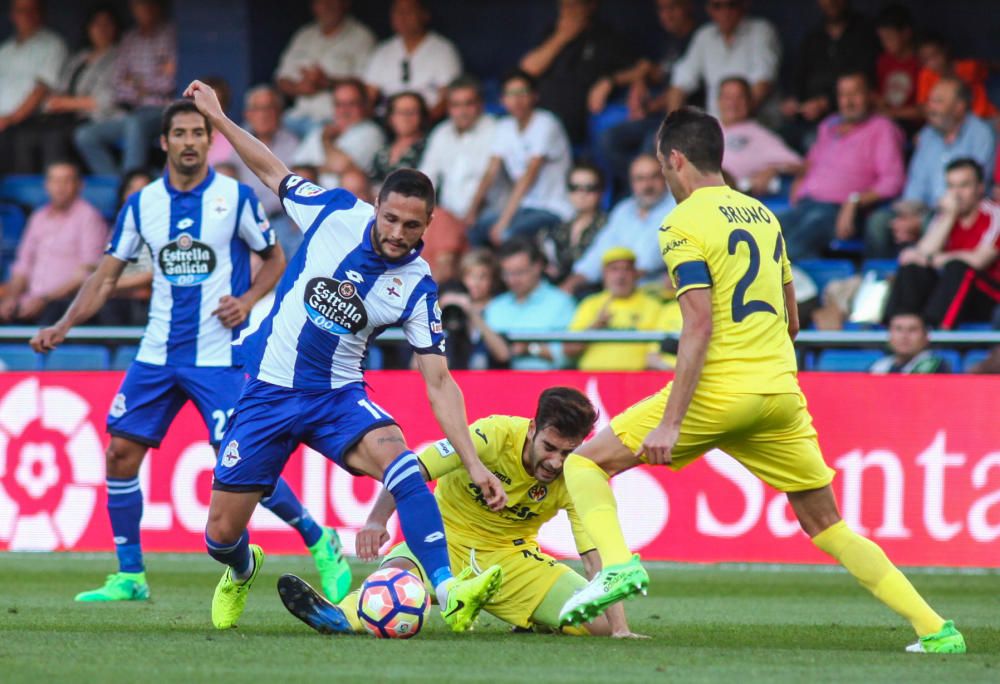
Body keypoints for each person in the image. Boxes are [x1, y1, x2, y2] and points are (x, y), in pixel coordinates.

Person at [557, 107, 966, 655]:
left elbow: (698, 325)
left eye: (662, 165)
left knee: (585, 463)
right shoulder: (764, 216)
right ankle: (936, 629)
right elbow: (793, 321)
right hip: (779, 393)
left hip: (719, 392)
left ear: (675, 159)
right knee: (828, 525)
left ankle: (619, 566)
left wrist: (673, 422)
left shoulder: (681, 223)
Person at [177, 79, 508, 632]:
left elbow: (440, 382)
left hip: (336, 397)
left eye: (412, 225)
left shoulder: (418, 284)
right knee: (220, 534)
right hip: (267, 391)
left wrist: (472, 463)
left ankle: (450, 591)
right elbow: (271, 169)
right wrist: (216, 116)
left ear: (428, 225)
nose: (398, 233)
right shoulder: (333, 212)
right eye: (390, 219)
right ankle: (239, 569)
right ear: (375, 208)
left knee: (402, 463)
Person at [30, 100, 351, 606]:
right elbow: (106, 275)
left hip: (218, 356)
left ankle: (318, 537)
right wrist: (65, 323)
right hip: (157, 354)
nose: (187, 141)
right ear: (164, 142)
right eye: (178, 133)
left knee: (242, 466)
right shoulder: (142, 204)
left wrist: (246, 301)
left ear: (207, 140)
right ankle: (130, 575)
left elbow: (276, 259)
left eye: (197, 133)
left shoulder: (236, 198)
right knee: (119, 455)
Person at [280, 388, 644, 638]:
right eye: (550, 447)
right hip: (444, 542)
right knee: (395, 579)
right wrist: (377, 519)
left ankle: (532, 617)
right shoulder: (492, 435)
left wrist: (619, 628)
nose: (556, 462)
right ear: (532, 428)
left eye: (567, 452)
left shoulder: (576, 472)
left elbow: (593, 555)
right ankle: (340, 616)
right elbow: (411, 469)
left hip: (513, 560)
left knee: (597, 624)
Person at [778, 72, 904, 261]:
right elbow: (810, 164)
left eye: (855, 94)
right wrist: (799, 182)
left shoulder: (882, 128)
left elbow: (893, 181)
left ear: (870, 95)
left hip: (838, 210)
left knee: (792, 249)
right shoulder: (828, 125)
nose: (849, 101)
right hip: (806, 205)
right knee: (759, 235)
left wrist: (854, 201)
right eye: (843, 95)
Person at [865, 77, 996, 258]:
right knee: (878, 222)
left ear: (959, 107)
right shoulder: (927, 135)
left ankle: (923, 274)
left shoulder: (981, 134)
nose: (930, 107)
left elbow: (971, 188)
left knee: (931, 223)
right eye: (930, 101)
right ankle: (882, 279)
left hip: (959, 210)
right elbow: (916, 185)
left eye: (938, 101)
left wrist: (920, 221)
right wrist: (908, 215)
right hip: (923, 209)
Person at [883, 159, 1000, 329]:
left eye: (964, 185)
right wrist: (949, 217)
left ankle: (938, 331)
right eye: (951, 186)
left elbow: (978, 261)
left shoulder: (994, 214)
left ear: (980, 188)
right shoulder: (943, 217)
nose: (956, 194)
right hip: (951, 295)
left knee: (958, 268)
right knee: (911, 268)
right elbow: (922, 254)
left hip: (989, 296)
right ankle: (900, 328)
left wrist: (932, 259)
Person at [594, 0, 699, 188]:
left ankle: (647, 190)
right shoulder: (669, 41)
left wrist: (650, 106)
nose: (667, 15)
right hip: (658, 116)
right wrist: (638, 82)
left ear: (688, 7)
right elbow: (654, 70)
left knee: (651, 143)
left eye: (672, 8)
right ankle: (640, 187)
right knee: (607, 138)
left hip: (687, 120)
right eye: (662, 9)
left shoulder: (699, 38)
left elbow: (683, 89)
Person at [467, 70, 573, 247]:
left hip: (552, 208)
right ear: (502, 100)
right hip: (523, 208)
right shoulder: (504, 127)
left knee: (508, 234)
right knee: (475, 230)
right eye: (510, 94)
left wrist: (503, 221)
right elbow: (490, 172)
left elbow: (529, 175)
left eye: (522, 93)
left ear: (534, 96)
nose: (516, 100)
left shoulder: (546, 122)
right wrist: (471, 212)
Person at [12, 4, 120, 173]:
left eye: (106, 25)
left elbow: (107, 100)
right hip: (65, 117)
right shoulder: (80, 57)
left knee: (55, 137)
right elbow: (60, 89)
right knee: (26, 134)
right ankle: (28, 189)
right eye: (96, 25)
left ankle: (59, 186)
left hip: (96, 118)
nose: (101, 30)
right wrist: (55, 103)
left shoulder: (120, 56)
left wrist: (67, 103)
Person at [73, 0, 177, 175]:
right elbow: (119, 86)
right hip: (131, 111)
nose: (145, 9)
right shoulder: (130, 38)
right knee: (85, 135)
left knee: (135, 124)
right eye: (139, 5)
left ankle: (131, 179)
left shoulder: (170, 34)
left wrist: (135, 82)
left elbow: (169, 83)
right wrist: (149, 82)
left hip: (162, 111)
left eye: (149, 4)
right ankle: (118, 185)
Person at [0, 161, 106, 325]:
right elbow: (23, 266)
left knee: (52, 315)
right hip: (29, 301)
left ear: (79, 185)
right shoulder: (38, 217)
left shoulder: (89, 217)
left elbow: (87, 273)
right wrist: (11, 298)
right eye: (55, 181)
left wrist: (45, 299)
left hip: (64, 303)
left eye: (66, 181)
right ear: (46, 185)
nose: (60, 187)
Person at [518, 0, 633, 145]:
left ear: (591, 6)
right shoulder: (552, 33)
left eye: (572, 6)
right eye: (563, 6)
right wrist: (561, 37)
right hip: (541, 122)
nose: (566, 11)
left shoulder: (605, 36)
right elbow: (527, 69)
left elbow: (643, 68)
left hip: (577, 125)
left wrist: (609, 81)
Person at [561, 154, 676, 295]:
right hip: (620, 290)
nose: (647, 185)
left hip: (655, 292)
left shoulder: (676, 206)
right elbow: (600, 250)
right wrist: (575, 280)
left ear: (666, 177)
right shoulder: (624, 209)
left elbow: (650, 259)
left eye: (654, 177)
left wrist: (619, 276)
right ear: (631, 183)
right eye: (640, 179)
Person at [418, 76, 497, 280]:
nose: (462, 111)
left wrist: (469, 216)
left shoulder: (496, 130)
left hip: (486, 216)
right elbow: (426, 180)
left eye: (468, 104)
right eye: (455, 105)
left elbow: (490, 178)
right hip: (450, 218)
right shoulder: (441, 133)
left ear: (480, 105)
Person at [780, 0, 879, 150]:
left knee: (811, 141)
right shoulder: (814, 35)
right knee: (779, 138)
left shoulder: (864, 32)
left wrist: (825, 102)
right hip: (806, 115)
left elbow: (862, 82)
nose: (830, 3)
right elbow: (799, 76)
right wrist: (794, 99)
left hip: (845, 116)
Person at [664, 0, 780, 122]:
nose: (725, 12)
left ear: (744, 4)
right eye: (717, 6)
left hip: (758, 123)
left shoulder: (762, 31)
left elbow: (763, 82)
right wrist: (671, 126)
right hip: (717, 128)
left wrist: (734, 120)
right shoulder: (704, 36)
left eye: (732, 4)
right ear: (708, 9)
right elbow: (680, 84)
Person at [275, 0, 375, 138]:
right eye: (321, 1)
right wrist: (299, 88)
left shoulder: (361, 37)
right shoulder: (304, 35)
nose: (327, 5)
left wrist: (326, 82)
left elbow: (366, 86)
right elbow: (281, 79)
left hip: (333, 118)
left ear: (345, 3)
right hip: (298, 115)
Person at [229, 85, 302, 257]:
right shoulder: (237, 141)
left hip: (283, 220)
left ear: (280, 113)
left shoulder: (292, 143)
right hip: (247, 220)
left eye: (269, 108)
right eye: (257, 109)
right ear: (248, 114)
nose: (263, 114)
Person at [565, 247, 665, 371]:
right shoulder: (590, 304)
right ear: (604, 274)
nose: (620, 276)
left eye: (626, 269)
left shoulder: (653, 306)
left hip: (637, 382)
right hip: (592, 382)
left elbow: (656, 356)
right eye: (614, 269)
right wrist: (595, 327)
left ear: (636, 274)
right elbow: (568, 350)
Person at [483, 238, 577, 370]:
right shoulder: (495, 306)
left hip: (547, 384)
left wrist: (530, 349)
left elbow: (568, 357)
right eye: (506, 273)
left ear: (538, 266)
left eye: (519, 272)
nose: (512, 280)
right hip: (497, 385)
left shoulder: (561, 303)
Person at [362, 0, 461, 121]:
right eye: (398, 12)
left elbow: (447, 98)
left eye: (409, 11)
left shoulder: (443, 50)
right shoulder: (383, 51)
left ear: (424, 15)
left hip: (427, 121)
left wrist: (420, 123)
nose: (402, 17)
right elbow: (369, 96)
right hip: (387, 122)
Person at [0, 0, 68, 174]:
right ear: (12, 15)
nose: (27, 15)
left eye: (32, 10)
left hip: (28, 121)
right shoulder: (5, 50)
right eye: (21, 11)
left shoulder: (52, 45)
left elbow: (40, 91)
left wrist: (9, 119)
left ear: (41, 14)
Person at [717, 76, 802, 196]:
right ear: (718, 101)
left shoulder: (760, 135)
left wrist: (774, 170)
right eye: (727, 97)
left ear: (749, 101)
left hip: (730, 198)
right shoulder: (705, 126)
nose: (733, 103)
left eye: (739, 97)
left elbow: (799, 164)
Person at [293, 78, 385, 185]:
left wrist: (326, 141)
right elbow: (297, 169)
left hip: (347, 199)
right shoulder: (321, 130)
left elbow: (340, 166)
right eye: (339, 104)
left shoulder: (371, 132)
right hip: (313, 198)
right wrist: (322, 168)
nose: (344, 110)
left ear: (364, 105)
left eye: (351, 104)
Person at [97, 169, 154, 327]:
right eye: (131, 189)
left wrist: (110, 285)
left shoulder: (163, 227)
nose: (136, 196)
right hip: (116, 297)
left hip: (145, 302)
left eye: (143, 190)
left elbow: (153, 275)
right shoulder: (118, 226)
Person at [539, 162, 607, 285]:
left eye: (589, 188)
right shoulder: (560, 228)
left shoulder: (609, 226)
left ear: (601, 192)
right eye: (574, 188)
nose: (582, 194)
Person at [437, 249, 502, 370]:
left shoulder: (500, 307)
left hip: (492, 376)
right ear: (462, 278)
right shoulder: (454, 308)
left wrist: (471, 312)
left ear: (493, 280)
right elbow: (416, 364)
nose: (476, 283)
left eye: (483, 277)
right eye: (470, 276)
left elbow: (503, 355)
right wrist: (439, 311)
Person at [915, 33, 997, 121]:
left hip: (983, 116)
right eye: (926, 59)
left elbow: (989, 66)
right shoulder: (926, 75)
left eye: (936, 55)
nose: (933, 63)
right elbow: (922, 106)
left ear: (945, 50)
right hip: (950, 123)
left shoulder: (969, 67)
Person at [873, 4, 922, 133]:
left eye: (889, 37)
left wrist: (892, 112)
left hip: (912, 126)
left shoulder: (920, 62)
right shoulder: (883, 61)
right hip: (885, 121)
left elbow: (923, 110)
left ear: (906, 33)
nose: (885, 44)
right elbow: (879, 97)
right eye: (882, 39)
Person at [370, 91, 429, 187]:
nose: (406, 118)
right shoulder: (383, 151)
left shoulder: (429, 148)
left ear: (422, 116)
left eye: (412, 112)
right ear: (390, 117)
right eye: (400, 112)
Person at [870, 313, 951, 374]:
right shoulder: (879, 366)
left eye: (912, 330)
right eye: (898, 329)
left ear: (926, 336)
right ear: (889, 335)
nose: (904, 336)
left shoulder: (937, 366)